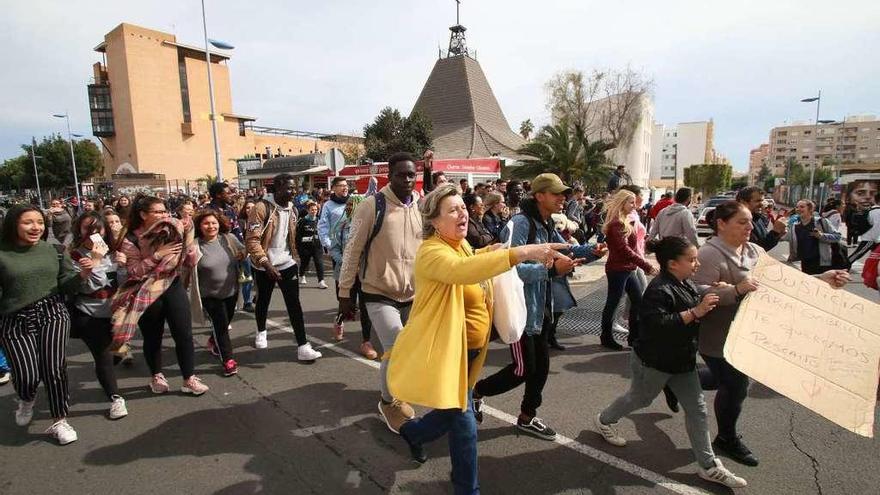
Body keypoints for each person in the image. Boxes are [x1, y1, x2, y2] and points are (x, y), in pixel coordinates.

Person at [386, 183, 570, 494]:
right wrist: (521, 252)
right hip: (449, 355)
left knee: (452, 414)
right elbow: (462, 271)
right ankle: (466, 489)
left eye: (462, 207)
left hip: (469, 355)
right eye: (453, 210)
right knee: (464, 424)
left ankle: (414, 433)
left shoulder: (460, 245)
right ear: (434, 221)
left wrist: (488, 251)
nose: (463, 213)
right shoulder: (431, 252)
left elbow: (470, 260)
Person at [694, 200, 848, 467]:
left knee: (726, 381)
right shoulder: (709, 254)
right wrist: (736, 290)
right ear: (721, 224)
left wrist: (823, 278)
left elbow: (782, 279)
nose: (750, 226)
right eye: (742, 222)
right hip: (717, 336)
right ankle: (726, 438)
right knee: (736, 385)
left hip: (750, 331)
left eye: (750, 221)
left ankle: (673, 379)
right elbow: (695, 292)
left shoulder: (753, 249)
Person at [594, 236, 748, 488]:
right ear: (673, 264)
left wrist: (718, 291)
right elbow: (657, 326)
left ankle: (708, 466)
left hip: (682, 361)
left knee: (698, 410)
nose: (697, 264)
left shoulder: (683, 282)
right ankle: (604, 420)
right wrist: (696, 312)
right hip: (654, 362)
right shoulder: (657, 289)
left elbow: (696, 293)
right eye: (692, 260)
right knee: (639, 398)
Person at [473, 173, 606, 440]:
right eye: (557, 193)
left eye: (563, 193)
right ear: (539, 196)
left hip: (541, 309)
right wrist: (551, 270)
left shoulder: (545, 224)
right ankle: (476, 392)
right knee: (522, 369)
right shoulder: (520, 224)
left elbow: (565, 250)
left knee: (541, 368)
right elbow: (507, 267)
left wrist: (592, 252)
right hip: (521, 310)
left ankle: (527, 417)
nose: (563, 198)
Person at [337, 152, 423, 432]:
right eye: (402, 174)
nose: (408, 179)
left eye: (412, 174)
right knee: (395, 348)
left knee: (410, 349)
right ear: (390, 175)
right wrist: (345, 292)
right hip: (378, 291)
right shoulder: (372, 205)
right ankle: (388, 402)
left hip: (412, 293)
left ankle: (397, 387)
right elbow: (352, 251)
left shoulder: (420, 205)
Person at [0, 205, 94, 444]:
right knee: (27, 375)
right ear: (13, 224)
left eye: (40, 222)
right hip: (14, 319)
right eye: (28, 222)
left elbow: (66, 285)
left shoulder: (54, 250)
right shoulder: (2, 253)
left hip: (52, 313)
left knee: (54, 369)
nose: (36, 227)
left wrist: (81, 275)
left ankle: (60, 420)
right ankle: (26, 398)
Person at [114, 196, 209, 396]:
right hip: (147, 291)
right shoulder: (131, 240)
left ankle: (189, 378)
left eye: (164, 211)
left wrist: (189, 251)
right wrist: (158, 255)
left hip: (173, 286)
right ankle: (156, 375)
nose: (163, 215)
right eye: (157, 212)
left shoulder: (173, 230)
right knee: (152, 337)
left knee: (184, 334)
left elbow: (187, 261)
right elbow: (135, 272)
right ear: (143, 215)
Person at [245, 173, 322, 361]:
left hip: (287, 263)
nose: (293, 191)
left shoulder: (293, 209)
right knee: (263, 299)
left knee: (294, 304)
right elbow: (252, 240)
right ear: (277, 188)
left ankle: (303, 346)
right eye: (289, 188)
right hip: (264, 265)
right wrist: (265, 263)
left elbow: (291, 237)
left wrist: (295, 258)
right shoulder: (261, 208)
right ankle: (261, 331)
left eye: (294, 188)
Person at [68, 211, 129, 420]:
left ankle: (113, 363)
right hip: (90, 313)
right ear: (79, 230)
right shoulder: (75, 255)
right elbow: (89, 286)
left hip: (116, 313)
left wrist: (122, 266)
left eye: (97, 228)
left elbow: (123, 283)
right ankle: (115, 398)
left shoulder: (113, 252)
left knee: (114, 355)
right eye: (87, 228)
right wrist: (93, 263)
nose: (93, 233)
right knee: (102, 355)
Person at [600, 189, 657, 350]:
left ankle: (634, 337)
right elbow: (624, 250)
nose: (634, 205)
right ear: (622, 203)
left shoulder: (624, 220)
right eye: (631, 202)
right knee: (613, 302)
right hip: (618, 269)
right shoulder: (617, 223)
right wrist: (647, 266)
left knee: (637, 301)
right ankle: (606, 337)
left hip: (627, 268)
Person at [193, 209, 245, 376]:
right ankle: (228, 360)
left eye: (213, 223)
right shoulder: (194, 245)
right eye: (206, 223)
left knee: (225, 321)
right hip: (209, 295)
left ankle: (213, 340)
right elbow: (186, 269)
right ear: (199, 226)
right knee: (221, 326)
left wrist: (243, 254)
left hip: (231, 291)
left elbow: (244, 251)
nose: (211, 226)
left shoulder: (229, 239)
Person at [329, 195, 378, 358]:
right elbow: (334, 248)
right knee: (347, 305)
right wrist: (345, 261)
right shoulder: (341, 226)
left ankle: (366, 341)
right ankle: (339, 321)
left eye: (352, 204)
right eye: (348, 205)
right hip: (347, 273)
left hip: (364, 274)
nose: (349, 207)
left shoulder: (369, 226)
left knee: (365, 307)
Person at [786, 199, 844, 274]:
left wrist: (821, 235)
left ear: (810, 209)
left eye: (802, 207)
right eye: (797, 207)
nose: (798, 209)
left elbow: (838, 237)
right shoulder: (794, 227)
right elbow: (784, 237)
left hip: (821, 263)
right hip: (805, 263)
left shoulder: (821, 222)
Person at [735, 186, 787, 250]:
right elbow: (754, 250)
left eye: (762, 200)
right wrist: (775, 232)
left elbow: (764, 243)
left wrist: (778, 235)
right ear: (743, 202)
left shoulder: (758, 218)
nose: (762, 204)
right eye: (758, 201)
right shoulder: (736, 221)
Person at [296, 201, 327, 288]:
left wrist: (325, 245)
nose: (314, 211)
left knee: (319, 263)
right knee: (304, 263)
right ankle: (301, 275)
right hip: (305, 247)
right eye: (312, 210)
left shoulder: (319, 221)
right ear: (308, 210)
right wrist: (298, 247)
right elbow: (298, 235)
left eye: (316, 209)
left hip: (317, 246)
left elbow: (323, 233)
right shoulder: (302, 221)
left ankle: (321, 281)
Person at [848, 191, 880, 264]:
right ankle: (844, 266)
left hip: (872, 238)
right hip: (872, 238)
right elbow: (876, 227)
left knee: (873, 257)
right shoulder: (877, 211)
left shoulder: (871, 210)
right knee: (858, 254)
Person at [237, 199, 256, 312]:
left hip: (258, 254)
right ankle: (247, 302)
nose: (250, 210)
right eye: (248, 207)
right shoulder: (240, 222)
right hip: (245, 254)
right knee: (247, 279)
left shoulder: (261, 220)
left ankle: (256, 297)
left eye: (253, 207)